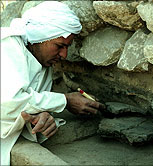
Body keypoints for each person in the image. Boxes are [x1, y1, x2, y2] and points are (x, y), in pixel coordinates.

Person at [1, 1, 105, 165]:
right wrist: (65, 101)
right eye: (59, 46)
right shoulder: (6, 46)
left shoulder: (43, 64)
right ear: (40, 37)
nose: (64, 55)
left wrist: (41, 117)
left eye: (67, 47)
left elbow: (30, 106)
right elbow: (9, 103)